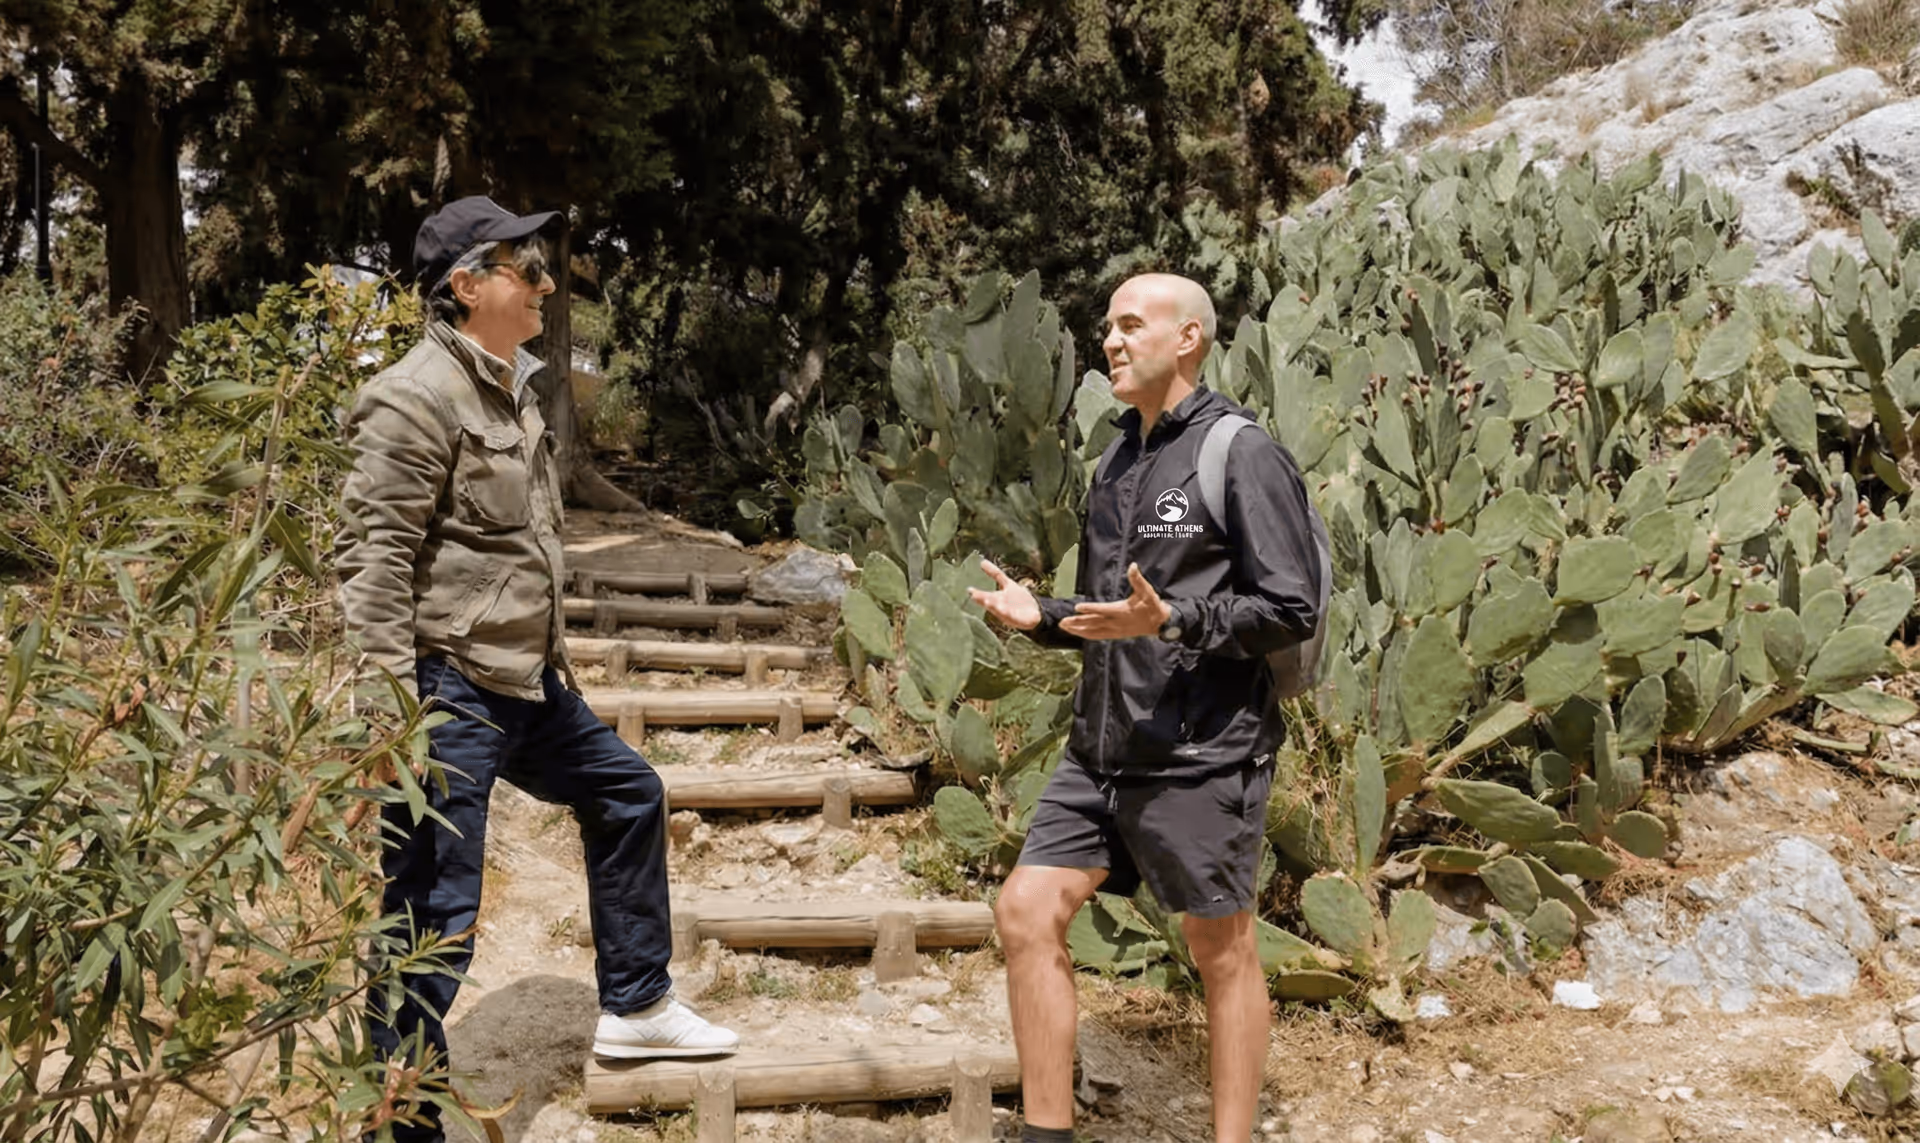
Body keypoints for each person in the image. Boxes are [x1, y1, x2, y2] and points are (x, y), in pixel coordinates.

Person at [336, 196, 738, 1142]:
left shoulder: (511, 386)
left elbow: (526, 544)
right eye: (527, 267)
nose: (548, 284)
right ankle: (399, 1121)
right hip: (446, 687)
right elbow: (373, 558)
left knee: (629, 792)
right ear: (466, 285)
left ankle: (636, 1005)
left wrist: (556, 662)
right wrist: (389, 715)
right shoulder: (413, 395)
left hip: (525, 678)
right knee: (434, 911)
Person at [969, 273, 1323, 1143]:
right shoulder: (1118, 457)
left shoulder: (1241, 452)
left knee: (1219, 947)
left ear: (1188, 338)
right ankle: (1047, 1134)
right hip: (1101, 745)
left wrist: (1177, 619)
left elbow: (1290, 606)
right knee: (1026, 910)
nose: (1112, 341)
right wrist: (1044, 615)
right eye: (1108, 327)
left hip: (1202, 750)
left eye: (1131, 325)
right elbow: (1118, 613)